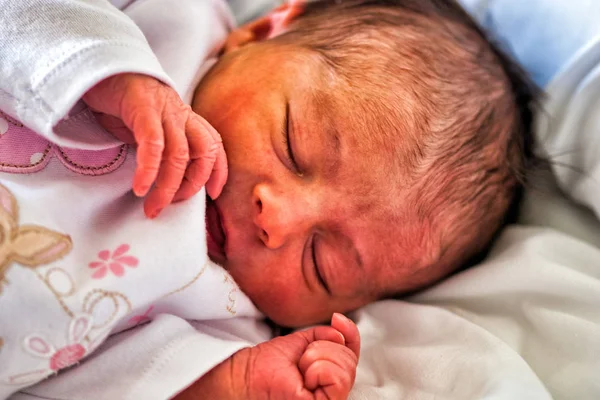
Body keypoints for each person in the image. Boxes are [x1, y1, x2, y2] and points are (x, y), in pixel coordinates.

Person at [0, 0, 537, 398]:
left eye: (321, 263)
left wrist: (228, 384)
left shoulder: (223, 323)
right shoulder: (166, 26)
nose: (277, 221)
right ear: (257, 32)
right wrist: (105, 68)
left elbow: (105, 383)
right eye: (292, 145)